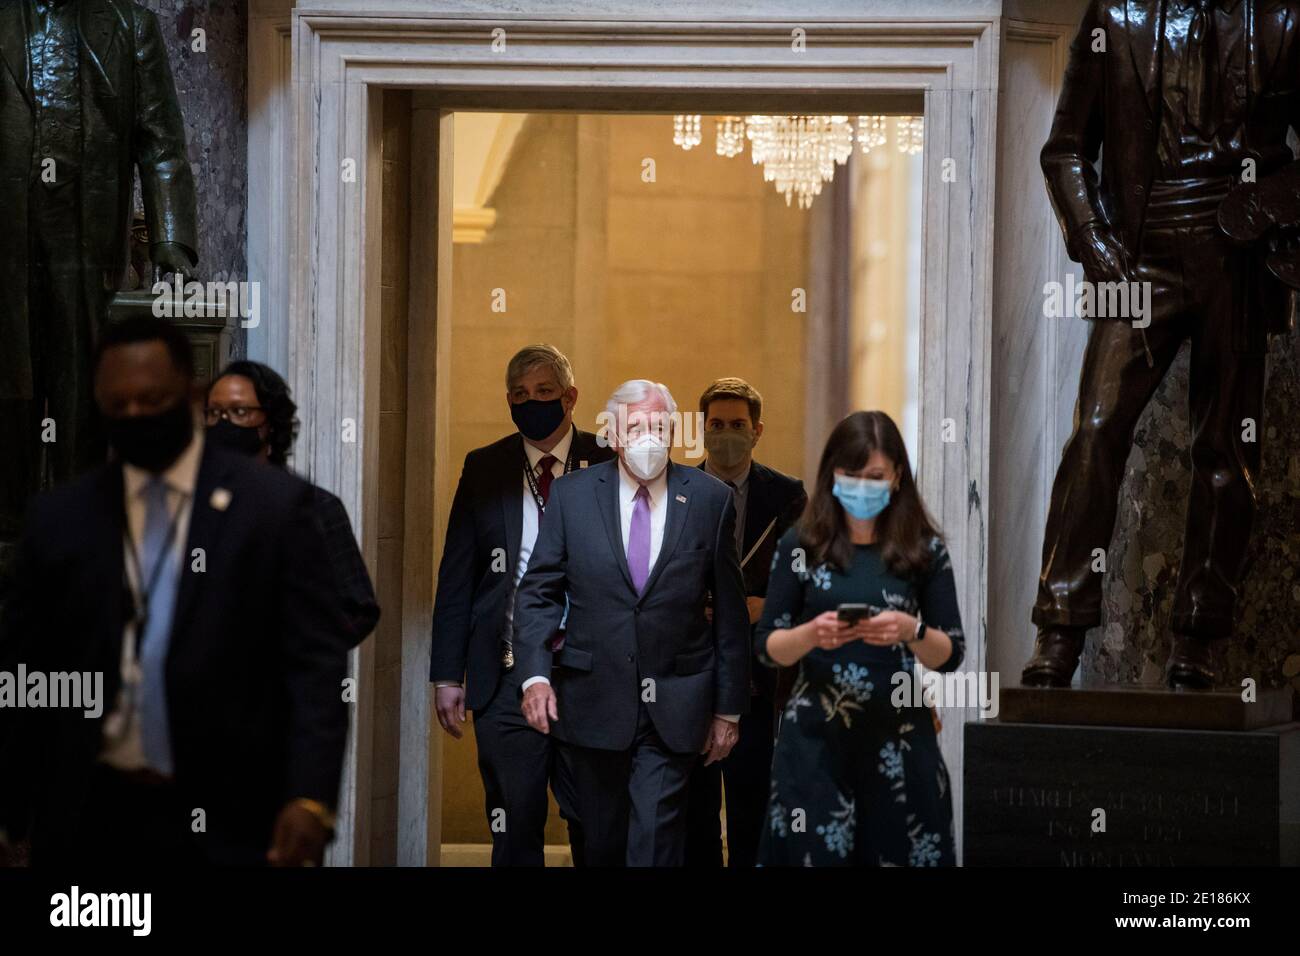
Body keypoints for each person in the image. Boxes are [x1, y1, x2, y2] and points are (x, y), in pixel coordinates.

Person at [0, 316, 351, 867]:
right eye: (119, 405)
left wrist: (309, 797)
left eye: (152, 399)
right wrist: (13, 809)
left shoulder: (274, 507)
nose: (136, 415)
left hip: (230, 813)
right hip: (91, 815)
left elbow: (315, 664)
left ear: (188, 393)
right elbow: (26, 667)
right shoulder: (60, 517)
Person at [1026, 0, 1300, 689]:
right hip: (1138, 255)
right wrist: (1093, 240)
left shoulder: (1283, 18)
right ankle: (1060, 627)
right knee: (1093, 432)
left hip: (1236, 252)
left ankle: (1198, 639)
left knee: (1225, 451)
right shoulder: (1114, 15)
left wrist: (1270, 203)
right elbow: (1064, 150)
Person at [514, 379, 750, 867]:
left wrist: (729, 709)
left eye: (660, 426)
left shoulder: (709, 500)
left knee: (654, 841)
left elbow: (730, 613)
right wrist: (535, 675)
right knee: (600, 843)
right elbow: (538, 592)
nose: (650, 437)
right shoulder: (574, 496)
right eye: (638, 426)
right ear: (613, 434)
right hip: (592, 701)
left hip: (676, 705)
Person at [429, 344, 612, 866]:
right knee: (513, 822)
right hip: (505, 674)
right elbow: (457, 576)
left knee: (596, 828)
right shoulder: (485, 466)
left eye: (544, 393)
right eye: (519, 395)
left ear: (571, 397)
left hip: (588, 675)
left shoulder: (606, 460)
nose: (531, 403)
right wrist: (447, 674)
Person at [755, 411, 964, 867]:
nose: (862, 487)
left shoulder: (923, 550)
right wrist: (811, 635)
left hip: (902, 737)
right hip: (816, 740)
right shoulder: (801, 545)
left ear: (896, 479)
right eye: (852, 475)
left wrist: (913, 631)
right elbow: (768, 645)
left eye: (875, 476)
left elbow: (950, 653)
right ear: (832, 474)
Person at [684, 377, 806, 868]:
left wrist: (764, 605)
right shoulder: (677, 488)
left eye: (737, 425)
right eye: (717, 425)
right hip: (690, 676)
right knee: (695, 817)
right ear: (701, 429)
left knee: (751, 809)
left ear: (757, 431)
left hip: (757, 681)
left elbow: (807, 578)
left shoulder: (788, 496)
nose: (726, 433)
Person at [206, 361, 380, 647]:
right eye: (214, 413)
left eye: (239, 412)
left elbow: (358, 607)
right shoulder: (193, 506)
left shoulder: (315, 507)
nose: (224, 422)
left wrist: (300, 655)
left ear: (270, 423)